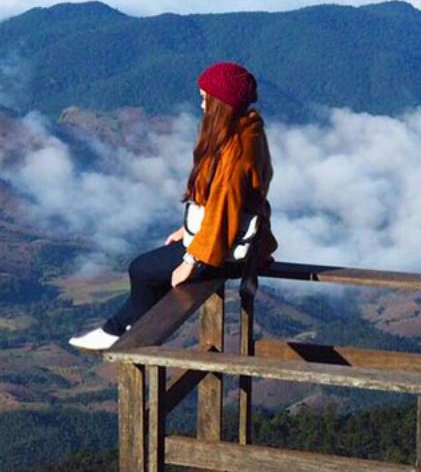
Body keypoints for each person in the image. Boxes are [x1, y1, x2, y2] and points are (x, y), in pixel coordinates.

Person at [68, 61, 276, 352]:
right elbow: (222, 204)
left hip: (222, 253)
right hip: (226, 246)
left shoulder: (237, 151)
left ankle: (123, 330)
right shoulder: (244, 135)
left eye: (206, 98)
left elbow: (222, 211)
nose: (202, 105)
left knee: (142, 269)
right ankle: (127, 326)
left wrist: (192, 262)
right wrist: (187, 229)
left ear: (222, 103)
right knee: (148, 269)